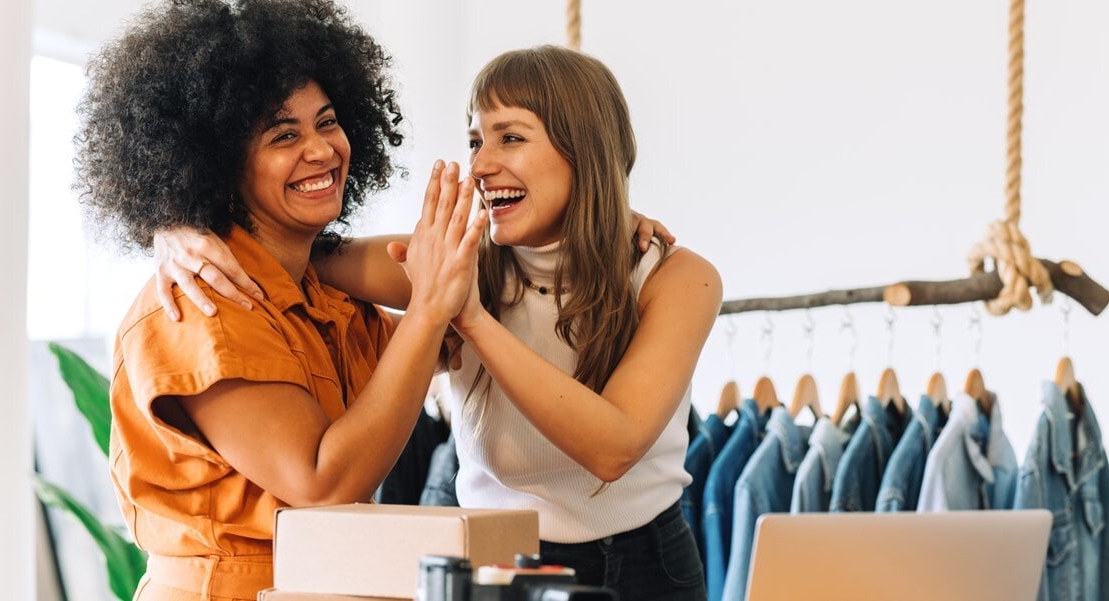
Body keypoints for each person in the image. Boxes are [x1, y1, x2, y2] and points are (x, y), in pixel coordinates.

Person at [160, 45, 721, 601]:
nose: (479, 165)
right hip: (493, 560)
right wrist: (177, 226)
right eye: (476, 141)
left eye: (511, 137)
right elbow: (290, 248)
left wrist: (470, 317)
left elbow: (613, 448)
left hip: (648, 565)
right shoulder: (455, 258)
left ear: (587, 150)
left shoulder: (676, 278)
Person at [73, 1, 485, 599]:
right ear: (217, 164)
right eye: (283, 134)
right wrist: (426, 314)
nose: (320, 151)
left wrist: (611, 231)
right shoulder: (199, 303)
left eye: (327, 121)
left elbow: (463, 306)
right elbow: (321, 481)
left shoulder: (320, 294)